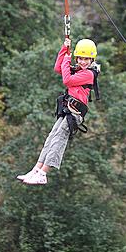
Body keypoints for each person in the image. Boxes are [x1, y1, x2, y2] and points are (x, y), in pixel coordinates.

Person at [16, 38, 99, 185]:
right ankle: (36, 169)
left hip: (75, 114)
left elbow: (66, 80)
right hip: (68, 110)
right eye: (80, 58)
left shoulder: (89, 74)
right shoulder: (78, 70)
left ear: (92, 59)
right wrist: (64, 49)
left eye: (86, 59)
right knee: (51, 137)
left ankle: (43, 173)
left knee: (59, 140)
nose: (83, 62)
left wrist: (67, 59)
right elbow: (58, 68)